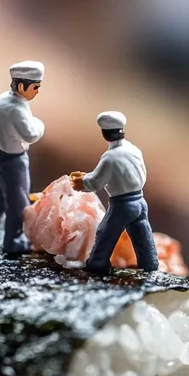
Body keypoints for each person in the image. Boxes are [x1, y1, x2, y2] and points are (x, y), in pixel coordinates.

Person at [70, 112, 159, 274]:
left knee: (106, 231)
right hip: (140, 200)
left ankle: (97, 263)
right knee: (142, 233)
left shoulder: (110, 158)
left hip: (122, 204)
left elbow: (95, 183)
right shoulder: (134, 149)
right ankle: (150, 264)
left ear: (104, 134)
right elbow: (142, 173)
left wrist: (81, 182)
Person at [0, 61, 45, 254]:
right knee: (19, 202)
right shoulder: (17, 109)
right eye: (35, 87)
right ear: (22, 86)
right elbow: (30, 134)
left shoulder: (0, 100)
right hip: (14, 160)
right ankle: (14, 240)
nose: (37, 92)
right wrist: (40, 124)